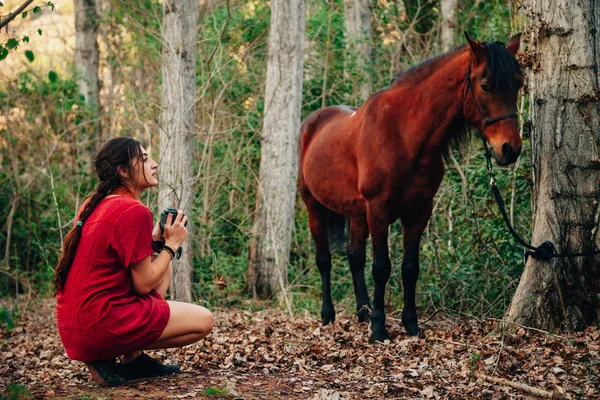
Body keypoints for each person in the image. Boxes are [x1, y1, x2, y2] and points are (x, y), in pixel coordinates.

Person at [55, 137, 213, 387]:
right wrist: (172, 245)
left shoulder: (94, 205)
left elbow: (120, 265)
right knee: (204, 320)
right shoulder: (133, 210)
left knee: (163, 265)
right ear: (124, 170)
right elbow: (143, 284)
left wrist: (157, 240)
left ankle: (133, 360)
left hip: (76, 324)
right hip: (100, 324)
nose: (154, 164)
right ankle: (105, 353)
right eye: (145, 158)